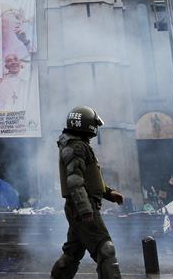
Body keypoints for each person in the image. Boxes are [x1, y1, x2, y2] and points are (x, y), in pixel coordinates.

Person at [51, 106, 124, 279]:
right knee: (105, 249)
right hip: (83, 207)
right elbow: (75, 181)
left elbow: (88, 179)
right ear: (86, 124)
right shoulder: (76, 146)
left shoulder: (77, 144)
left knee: (72, 254)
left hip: (79, 207)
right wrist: (85, 210)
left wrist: (108, 193)